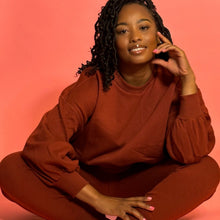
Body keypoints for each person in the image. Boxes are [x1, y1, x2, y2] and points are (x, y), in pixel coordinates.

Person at [0, 0, 219, 219]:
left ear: (159, 34)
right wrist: (100, 201)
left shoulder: (174, 83)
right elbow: (43, 145)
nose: (135, 37)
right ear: (111, 40)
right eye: (122, 31)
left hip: (144, 185)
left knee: (206, 170)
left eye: (143, 27)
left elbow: (192, 152)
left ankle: (136, 218)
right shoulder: (92, 85)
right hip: (87, 183)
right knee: (11, 169)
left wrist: (188, 81)